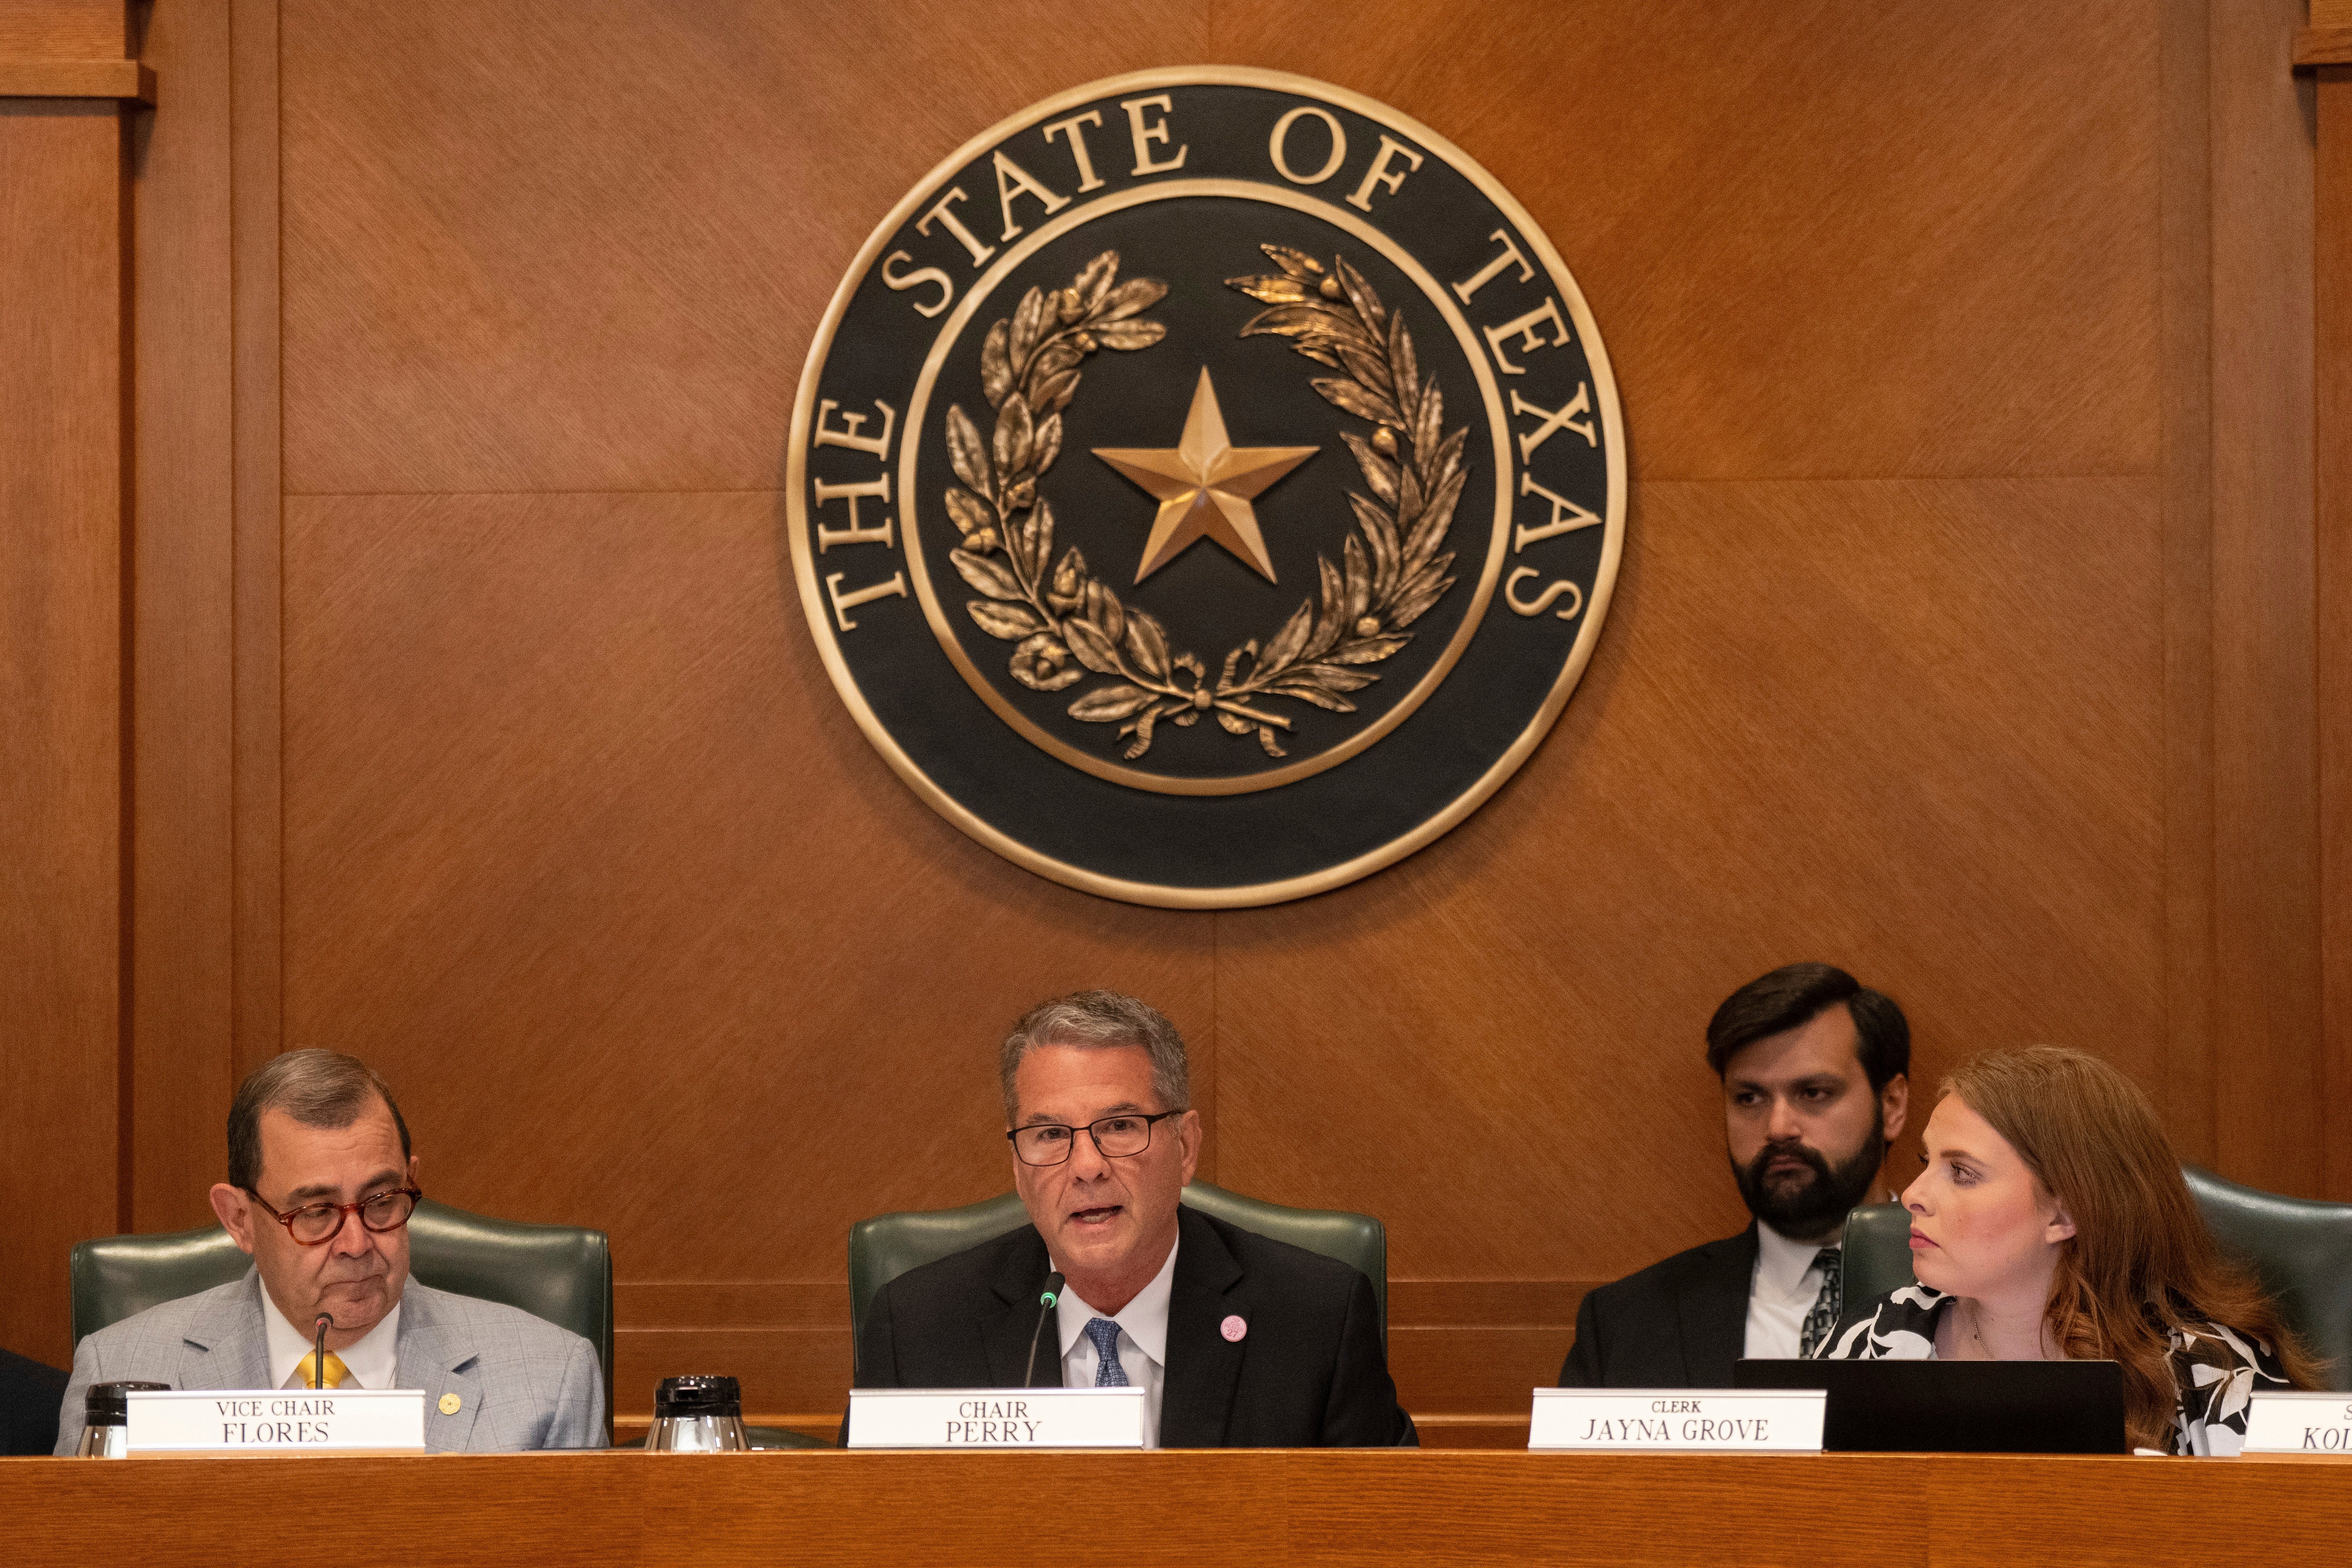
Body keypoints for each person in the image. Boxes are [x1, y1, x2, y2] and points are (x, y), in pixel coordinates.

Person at [847, 990, 1413, 1446]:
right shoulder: (919, 1327)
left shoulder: (1313, 1317)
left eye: (1119, 1127)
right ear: (1018, 1169)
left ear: (1185, 1146)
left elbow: (1388, 1535)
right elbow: (860, 1539)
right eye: (1049, 1135)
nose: (1087, 1167)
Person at [55, 1049, 606, 1454]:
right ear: (240, 1220)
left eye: (382, 1200)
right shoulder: (122, 1371)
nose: (357, 1244)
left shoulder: (549, 1381)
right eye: (316, 1213)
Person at [1819, 1044, 2316, 1455]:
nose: (1912, 1195)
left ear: (2063, 1214)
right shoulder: (1873, 1342)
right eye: (1927, 1162)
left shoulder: (2215, 1381)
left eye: (1961, 1173)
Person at [1560, 963, 1910, 1387]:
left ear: (1891, 1106)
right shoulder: (1624, 1320)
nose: (1778, 1128)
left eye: (1812, 1093)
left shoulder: (1979, 1298)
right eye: (1749, 1098)